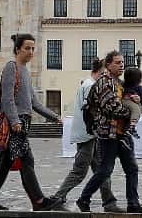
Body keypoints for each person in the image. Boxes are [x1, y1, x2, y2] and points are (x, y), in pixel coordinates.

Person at [0, 33, 65, 212]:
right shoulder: (12, 67)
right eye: (27, 48)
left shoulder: (25, 71)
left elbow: (34, 102)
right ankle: (39, 201)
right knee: (26, 160)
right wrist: (14, 120)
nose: (31, 52)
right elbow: (7, 99)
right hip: (14, 124)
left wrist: (54, 117)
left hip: (23, 122)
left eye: (33, 48)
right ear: (18, 49)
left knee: (5, 162)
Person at [77, 50, 142, 214]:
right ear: (108, 65)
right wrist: (132, 111)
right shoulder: (105, 83)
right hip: (108, 134)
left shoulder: (119, 83)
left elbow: (126, 101)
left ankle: (133, 203)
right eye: (117, 62)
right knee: (105, 170)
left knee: (131, 169)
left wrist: (136, 101)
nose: (121, 65)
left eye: (122, 62)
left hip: (122, 133)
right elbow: (111, 108)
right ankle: (84, 198)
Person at [50, 59, 121, 212]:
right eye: (106, 72)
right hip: (89, 135)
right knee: (80, 170)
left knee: (102, 170)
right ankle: (58, 197)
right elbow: (93, 110)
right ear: (101, 71)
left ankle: (109, 202)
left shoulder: (88, 84)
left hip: (90, 134)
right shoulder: (91, 86)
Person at [120, 66, 142, 138]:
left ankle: (127, 127)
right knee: (136, 109)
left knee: (135, 110)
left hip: (123, 102)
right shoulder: (140, 88)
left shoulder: (122, 84)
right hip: (130, 102)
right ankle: (132, 126)